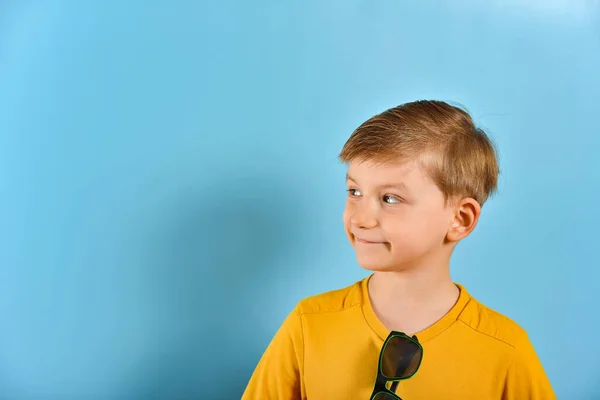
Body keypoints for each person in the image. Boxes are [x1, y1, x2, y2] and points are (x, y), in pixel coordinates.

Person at [241, 100, 556, 399]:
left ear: (459, 219)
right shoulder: (307, 325)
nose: (360, 218)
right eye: (354, 191)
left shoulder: (505, 349)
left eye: (390, 198)